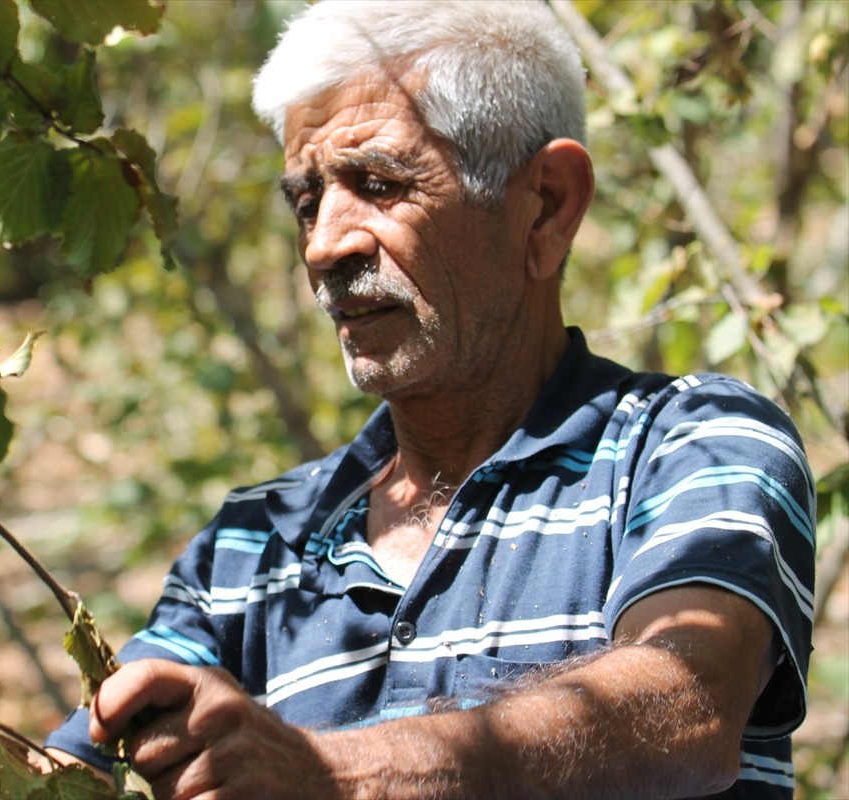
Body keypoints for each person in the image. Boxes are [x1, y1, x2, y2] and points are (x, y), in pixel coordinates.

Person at [45, 2, 816, 797]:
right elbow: (72, 768)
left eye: (378, 184)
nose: (322, 244)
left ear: (547, 204)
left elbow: (687, 703)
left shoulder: (689, 444)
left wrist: (330, 773)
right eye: (307, 201)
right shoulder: (251, 549)